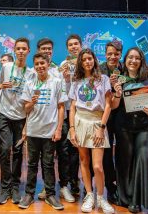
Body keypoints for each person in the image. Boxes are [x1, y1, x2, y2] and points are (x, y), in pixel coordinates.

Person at [113, 47, 148, 213]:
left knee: (145, 157)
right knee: (125, 162)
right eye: (130, 57)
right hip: (124, 126)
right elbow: (113, 105)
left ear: (141, 61)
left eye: (137, 58)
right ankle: (129, 198)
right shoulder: (118, 79)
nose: (133, 61)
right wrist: (117, 93)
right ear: (125, 60)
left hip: (147, 124)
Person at [68, 49, 115, 213]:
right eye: (84, 60)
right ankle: (89, 195)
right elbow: (72, 107)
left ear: (94, 60)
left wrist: (101, 128)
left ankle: (101, 198)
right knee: (84, 161)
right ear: (80, 63)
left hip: (97, 122)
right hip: (80, 121)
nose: (87, 62)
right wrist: (72, 129)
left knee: (98, 166)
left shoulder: (103, 79)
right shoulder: (76, 81)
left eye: (90, 59)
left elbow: (108, 105)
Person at [18, 53, 67, 210]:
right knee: (31, 164)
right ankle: (29, 195)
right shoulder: (30, 83)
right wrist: (31, 103)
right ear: (34, 66)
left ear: (48, 64)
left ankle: (50, 194)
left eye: (42, 63)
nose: (40, 66)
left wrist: (59, 129)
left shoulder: (57, 82)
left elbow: (61, 107)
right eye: (37, 64)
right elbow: (25, 109)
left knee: (48, 164)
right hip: (33, 131)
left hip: (50, 131)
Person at [36, 37, 75, 203]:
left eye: (49, 49)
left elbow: (67, 95)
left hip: (61, 118)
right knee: (46, 156)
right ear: (38, 51)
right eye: (44, 48)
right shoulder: (35, 70)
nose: (47, 51)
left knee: (64, 154)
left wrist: (66, 79)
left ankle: (64, 186)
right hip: (44, 120)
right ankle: (48, 185)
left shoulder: (60, 69)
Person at [0, 37, 34, 205]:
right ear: (14, 50)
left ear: (28, 51)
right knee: (4, 150)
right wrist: (1, 86)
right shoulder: (6, 67)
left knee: (18, 152)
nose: (20, 51)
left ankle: (15, 187)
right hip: (3, 113)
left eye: (23, 49)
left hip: (21, 116)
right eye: (18, 48)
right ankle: (4, 188)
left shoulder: (31, 72)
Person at [98, 40, 123, 203]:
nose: (113, 56)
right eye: (110, 53)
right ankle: (110, 187)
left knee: (123, 151)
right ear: (105, 54)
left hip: (123, 116)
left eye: (116, 54)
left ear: (120, 54)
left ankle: (124, 186)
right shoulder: (99, 69)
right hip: (105, 115)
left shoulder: (126, 68)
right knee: (106, 154)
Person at [60, 34, 83, 197]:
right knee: (64, 150)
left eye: (76, 44)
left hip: (83, 112)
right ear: (67, 48)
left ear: (81, 45)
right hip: (68, 111)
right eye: (70, 45)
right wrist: (67, 79)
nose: (73, 47)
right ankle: (64, 183)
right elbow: (63, 89)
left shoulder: (87, 62)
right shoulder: (63, 64)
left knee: (77, 150)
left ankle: (75, 181)